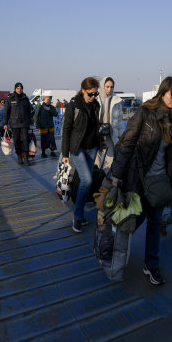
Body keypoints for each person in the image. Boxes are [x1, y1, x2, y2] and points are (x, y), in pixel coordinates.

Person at [111, 76, 172, 286]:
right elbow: (127, 144)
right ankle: (114, 257)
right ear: (163, 92)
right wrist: (116, 175)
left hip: (159, 182)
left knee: (155, 223)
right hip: (138, 179)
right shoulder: (144, 113)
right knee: (132, 221)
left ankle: (152, 265)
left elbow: (168, 149)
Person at [61, 77, 101, 233]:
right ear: (83, 90)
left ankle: (80, 213)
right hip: (77, 148)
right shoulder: (74, 105)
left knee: (86, 182)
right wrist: (65, 153)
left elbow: (95, 127)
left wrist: (100, 141)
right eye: (90, 94)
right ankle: (77, 216)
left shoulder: (95, 105)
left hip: (92, 147)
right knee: (87, 179)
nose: (93, 97)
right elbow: (66, 129)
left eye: (95, 94)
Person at [96, 76, 124, 170]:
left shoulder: (116, 100)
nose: (109, 89)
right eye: (107, 86)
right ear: (102, 86)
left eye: (111, 87)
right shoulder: (96, 98)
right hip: (96, 135)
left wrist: (121, 137)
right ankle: (97, 181)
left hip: (110, 134)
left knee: (111, 160)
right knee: (96, 161)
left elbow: (120, 121)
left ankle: (107, 181)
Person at [3, 82, 33, 165]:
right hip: (14, 123)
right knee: (16, 140)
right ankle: (19, 156)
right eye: (18, 88)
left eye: (21, 88)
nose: (19, 90)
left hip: (24, 123)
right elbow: (6, 112)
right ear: (15, 89)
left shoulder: (25, 98)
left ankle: (26, 157)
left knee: (25, 140)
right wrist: (5, 123)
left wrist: (30, 122)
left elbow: (29, 111)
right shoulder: (10, 98)